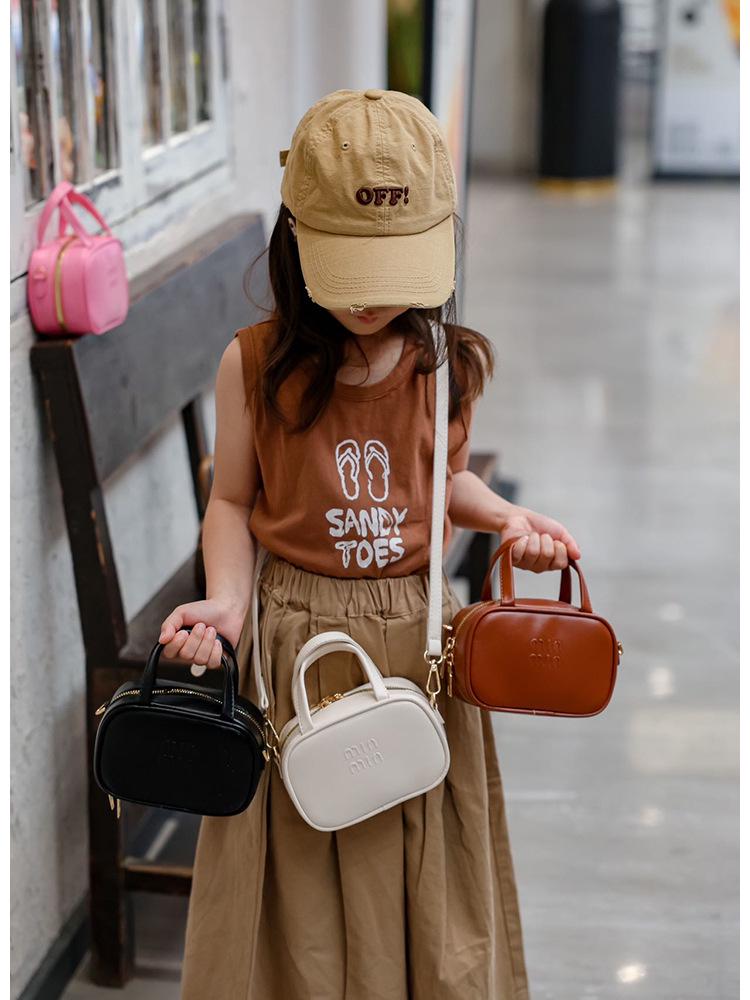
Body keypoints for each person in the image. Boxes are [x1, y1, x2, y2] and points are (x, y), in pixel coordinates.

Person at [163, 88, 581, 1000]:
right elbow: (231, 500)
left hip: (419, 650)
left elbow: (441, 480)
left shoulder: (448, 367)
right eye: (349, 266)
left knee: (421, 870)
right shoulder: (257, 364)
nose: (370, 300)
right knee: (298, 880)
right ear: (296, 238)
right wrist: (229, 606)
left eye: (394, 267)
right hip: (293, 646)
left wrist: (508, 521)